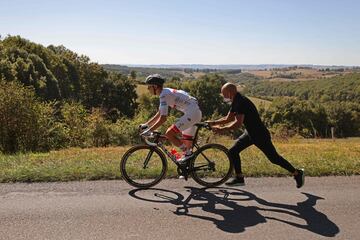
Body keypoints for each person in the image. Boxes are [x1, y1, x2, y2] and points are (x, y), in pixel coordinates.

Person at [206, 83, 305, 188]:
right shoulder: (235, 100)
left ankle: (297, 173)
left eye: (223, 93)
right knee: (233, 151)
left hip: (260, 134)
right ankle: (239, 178)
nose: (222, 96)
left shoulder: (241, 102)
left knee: (274, 158)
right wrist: (213, 123)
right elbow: (228, 118)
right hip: (250, 133)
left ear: (230, 92)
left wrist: (222, 129)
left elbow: (237, 123)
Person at [140, 74, 202, 163]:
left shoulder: (163, 95)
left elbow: (163, 118)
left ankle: (188, 153)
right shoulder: (165, 93)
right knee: (186, 143)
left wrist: (149, 131)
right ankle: (187, 170)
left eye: (149, 86)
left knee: (169, 133)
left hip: (192, 113)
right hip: (193, 112)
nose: (147, 89)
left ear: (155, 86)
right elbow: (159, 113)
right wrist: (147, 125)